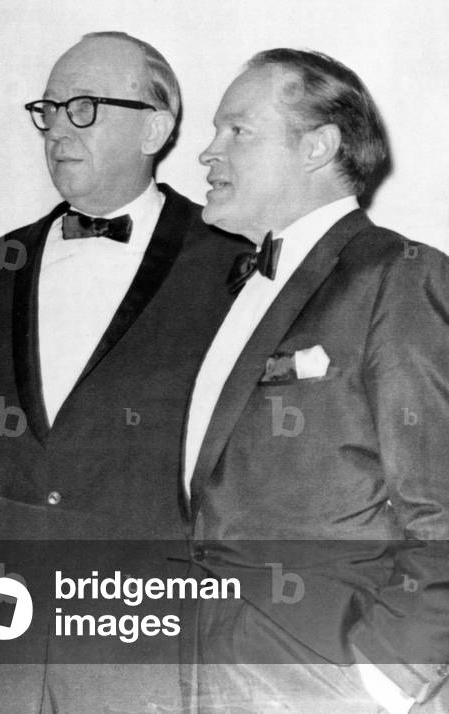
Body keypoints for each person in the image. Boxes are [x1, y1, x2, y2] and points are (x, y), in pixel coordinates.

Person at [0, 31, 247, 712]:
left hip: (147, 643)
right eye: (49, 109)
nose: (57, 128)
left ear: (155, 127)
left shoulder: (230, 263)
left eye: (83, 107)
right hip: (2, 645)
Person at [184, 48, 449, 712]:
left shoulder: (400, 276)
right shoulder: (235, 290)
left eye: (237, 130)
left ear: (319, 146)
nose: (208, 153)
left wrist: (381, 682)